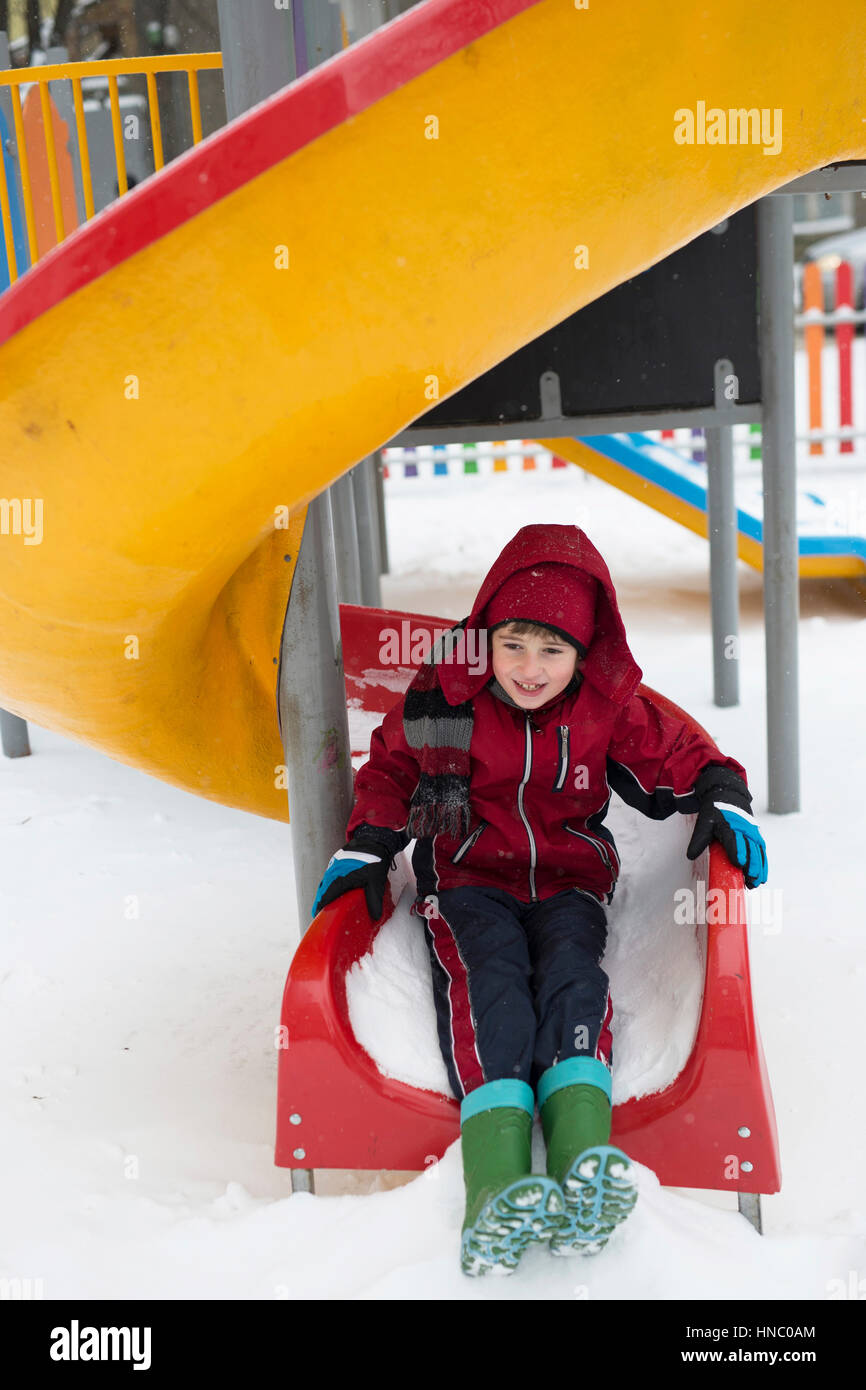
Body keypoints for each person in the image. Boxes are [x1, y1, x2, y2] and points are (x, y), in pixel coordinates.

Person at [311, 523, 768, 1276]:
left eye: (553, 651)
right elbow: (392, 770)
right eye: (514, 644)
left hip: (569, 884)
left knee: (574, 984)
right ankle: (494, 1187)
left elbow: (676, 750)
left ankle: (584, 1163)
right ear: (486, 637)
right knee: (493, 991)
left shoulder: (602, 709)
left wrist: (723, 792)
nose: (530, 668)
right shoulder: (446, 699)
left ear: (583, 656)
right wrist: (369, 844)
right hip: (466, 884)